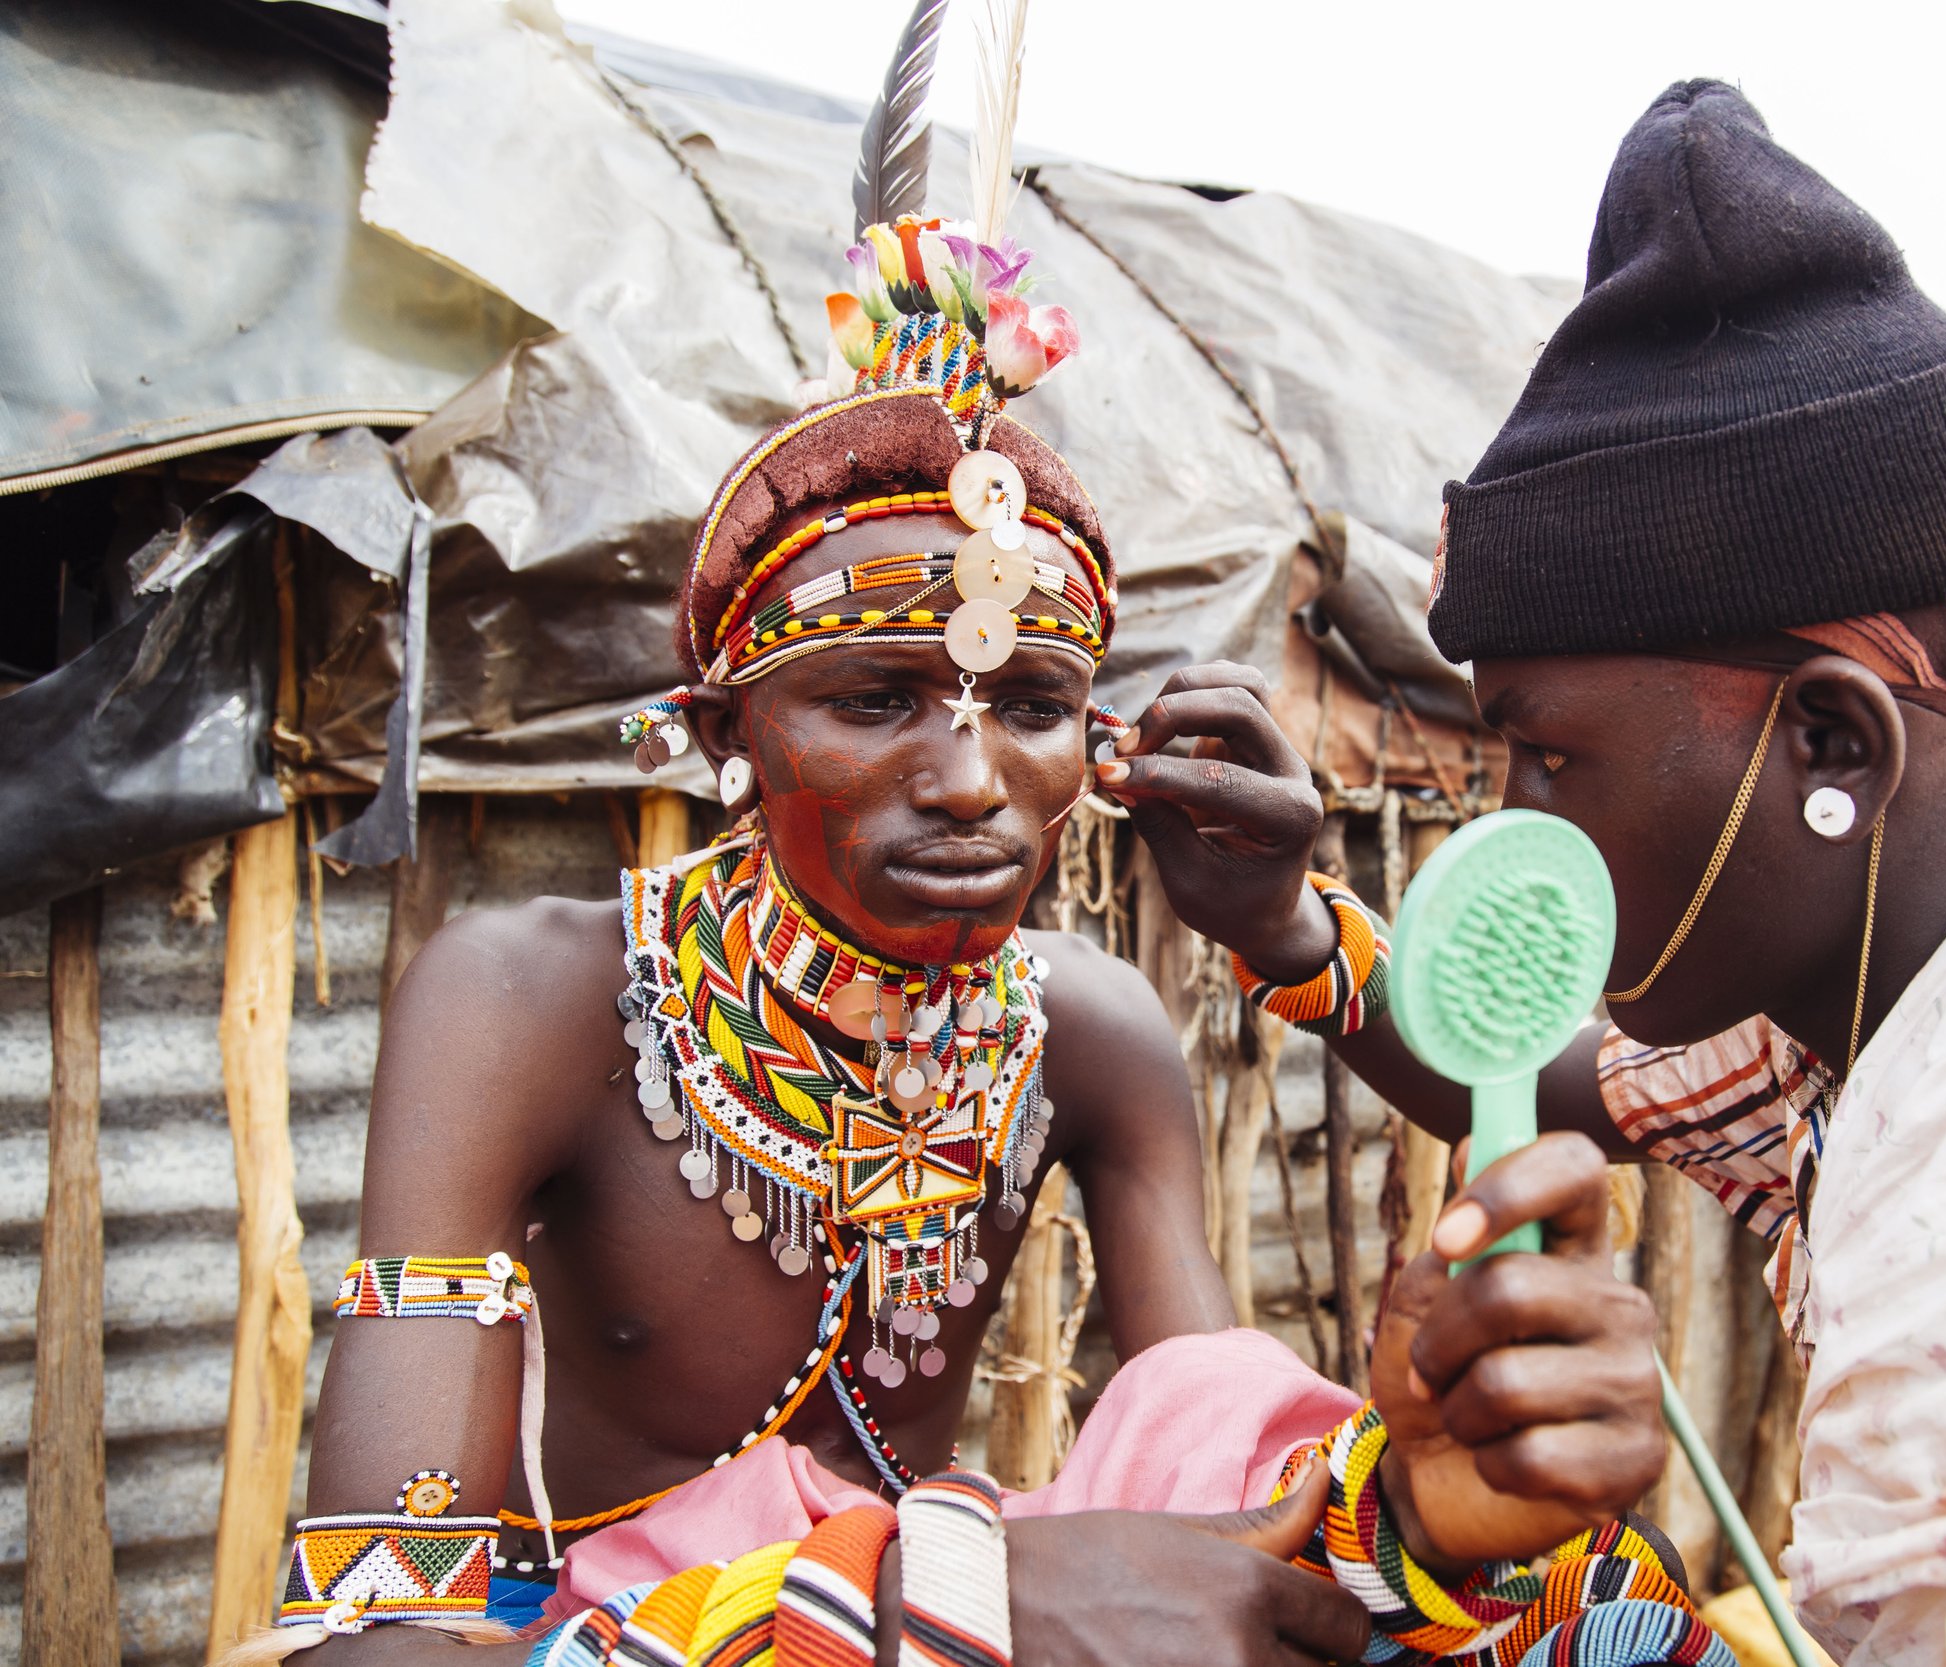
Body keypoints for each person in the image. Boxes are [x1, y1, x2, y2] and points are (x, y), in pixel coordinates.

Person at [1110, 80, 1946, 1667]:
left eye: (1549, 753)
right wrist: (1283, 925)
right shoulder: (1892, 1012)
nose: (1515, 825)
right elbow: (1551, 1083)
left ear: (1835, 747)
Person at [255, 212, 1720, 1667]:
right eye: (877, 699)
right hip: (641, 1634)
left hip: (974, 1603)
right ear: (726, 736)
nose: (970, 784)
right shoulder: (534, 1000)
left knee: (1579, 1602)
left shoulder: (1085, 1025)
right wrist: (936, 1606)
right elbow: (372, 1645)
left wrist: (1406, 1505)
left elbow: (1207, 1453)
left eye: (1029, 711)